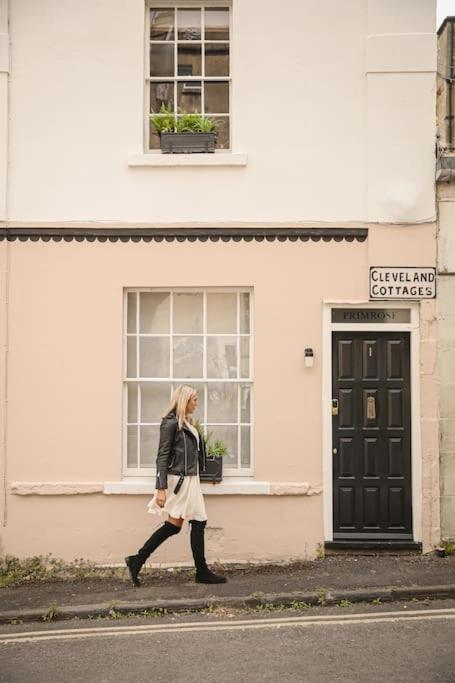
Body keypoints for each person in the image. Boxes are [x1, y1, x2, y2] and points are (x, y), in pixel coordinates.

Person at [125, 384, 227, 587]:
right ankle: (202, 572)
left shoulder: (187, 423)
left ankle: (137, 560)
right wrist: (160, 488)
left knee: (175, 526)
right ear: (185, 400)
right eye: (194, 400)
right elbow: (162, 456)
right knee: (196, 521)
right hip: (180, 481)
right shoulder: (170, 423)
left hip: (191, 479)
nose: (197, 404)